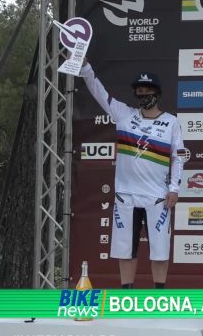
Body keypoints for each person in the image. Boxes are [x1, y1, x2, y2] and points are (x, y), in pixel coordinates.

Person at [78, 58, 185, 289]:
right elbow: (98, 91)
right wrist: (85, 66)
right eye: (139, 91)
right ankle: (127, 294)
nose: (143, 95)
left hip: (157, 197)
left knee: (160, 251)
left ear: (157, 93)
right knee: (125, 250)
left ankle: (159, 296)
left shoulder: (171, 122)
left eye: (147, 90)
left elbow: (178, 157)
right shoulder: (124, 115)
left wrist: (174, 189)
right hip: (126, 196)